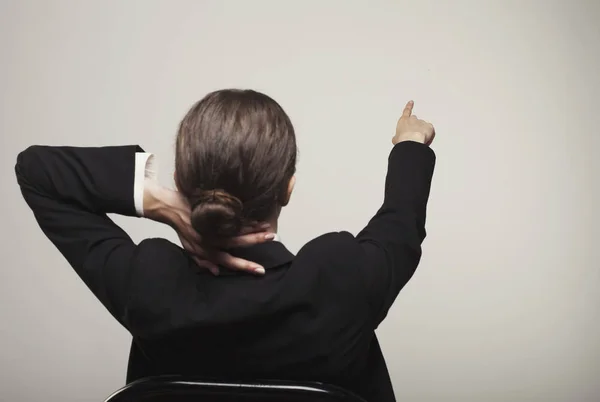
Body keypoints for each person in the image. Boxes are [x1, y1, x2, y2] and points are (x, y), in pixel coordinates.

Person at [15, 89, 436, 402]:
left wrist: (159, 202)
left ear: (182, 184)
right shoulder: (339, 279)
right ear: (288, 187)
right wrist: (410, 145)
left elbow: (37, 171)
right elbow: (401, 221)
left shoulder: (151, 282)